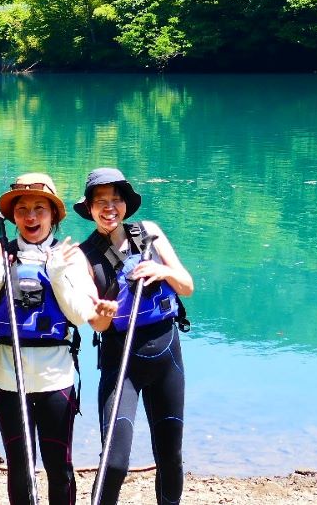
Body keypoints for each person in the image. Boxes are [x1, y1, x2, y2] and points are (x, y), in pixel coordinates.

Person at [0, 173, 100, 505]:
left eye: (40, 208)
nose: (31, 217)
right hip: (7, 377)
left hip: (55, 377)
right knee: (20, 467)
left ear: (53, 215)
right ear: (13, 215)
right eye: (23, 208)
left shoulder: (71, 256)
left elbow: (79, 317)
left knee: (59, 468)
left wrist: (57, 275)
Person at [75, 167, 194, 505]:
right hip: (120, 359)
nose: (109, 207)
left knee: (170, 454)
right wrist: (103, 312)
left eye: (115, 199)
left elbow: (187, 285)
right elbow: (96, 325)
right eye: (100, 201)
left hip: (166, 351)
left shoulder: (150, 234)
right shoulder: (84, 256)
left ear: (125, 203)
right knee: (114, 462)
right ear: (90, 208)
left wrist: (162, 269)